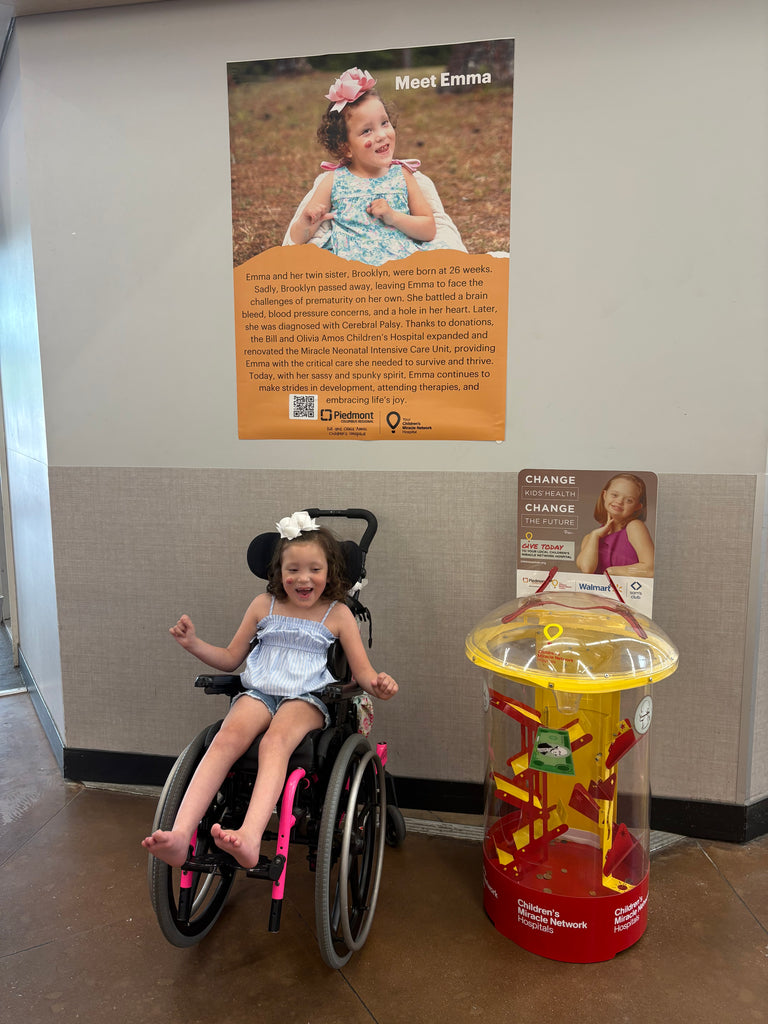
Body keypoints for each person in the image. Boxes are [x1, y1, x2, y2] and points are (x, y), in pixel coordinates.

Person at [142, 511, 398, 870]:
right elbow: (231, 658)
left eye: (314, 569)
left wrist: (379, 685)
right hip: (259, 693)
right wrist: (194, 644)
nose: (303, 578)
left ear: (330, 572)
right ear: (278, 571)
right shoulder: (263, 605)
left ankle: (249, 836)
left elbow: (363, 674)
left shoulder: (338, 614)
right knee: (226, 738)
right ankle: (181, 835)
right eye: (293, 569)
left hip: (307, 699)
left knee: (274, 742)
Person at [288, 67, 454, 265]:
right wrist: (306, 222)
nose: (381, 135)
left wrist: (394, 217)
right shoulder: (334, 180)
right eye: (367, 131)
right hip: (353, 272)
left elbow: (428, 230)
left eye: (384, 123)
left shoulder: (402, 175)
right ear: (346, 147)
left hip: (401, 267)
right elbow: (296, 239)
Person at [576, 473, 655, 577]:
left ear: (637, 506)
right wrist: (595, 535)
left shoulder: (634, 527)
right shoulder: (590, 538)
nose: (619, 501)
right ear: (604, 495)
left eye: (629, 500)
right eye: (614, 495)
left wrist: (612, 571)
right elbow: (587, 569)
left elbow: (651, 569)